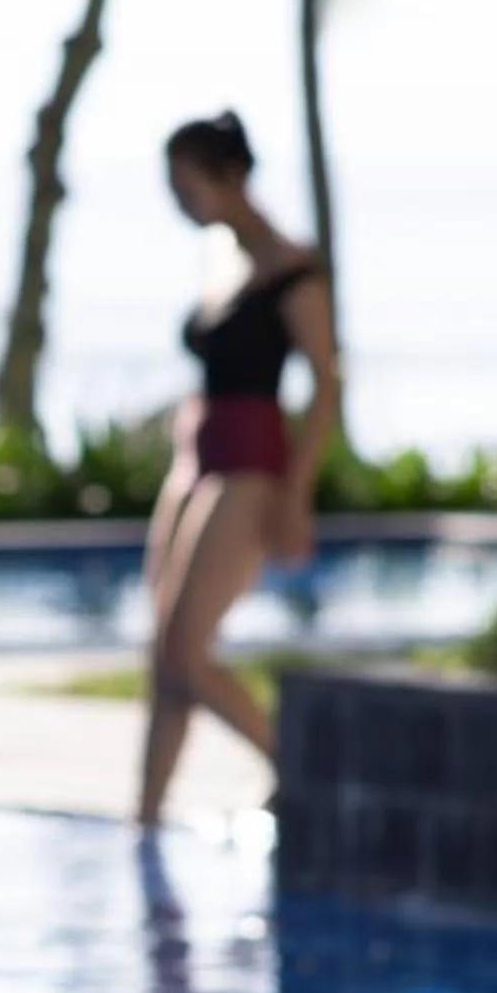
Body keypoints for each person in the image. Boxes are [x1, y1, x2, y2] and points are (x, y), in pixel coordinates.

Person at [138, 109, 339, 828]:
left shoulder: (293, 268)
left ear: (229, 176)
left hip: (250, 467)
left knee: (188, 654)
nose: (178, 201)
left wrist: (296, 494)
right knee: (163, 656)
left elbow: (326, 382)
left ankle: (296, 766)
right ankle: (144, 819)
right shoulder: (218, 259)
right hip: (195, 460)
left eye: (185, 185)